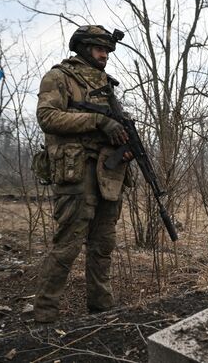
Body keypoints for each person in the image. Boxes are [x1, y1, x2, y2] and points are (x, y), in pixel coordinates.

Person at [34, 25, 132, 323]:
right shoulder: (59, 77)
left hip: (108, 175)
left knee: (103, 245)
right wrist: (98, 122)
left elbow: (112, 128)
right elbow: (47, 117)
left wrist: (123, 144)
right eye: (100, 49)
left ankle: (101, 308)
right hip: (76, 175)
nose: (105, 55)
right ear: (83, 48)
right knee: (67, 247)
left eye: (107, 50)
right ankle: (45, 316)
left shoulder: (107, 85)